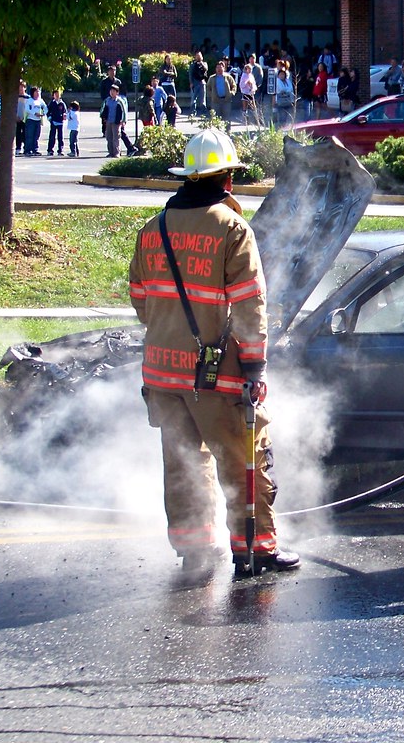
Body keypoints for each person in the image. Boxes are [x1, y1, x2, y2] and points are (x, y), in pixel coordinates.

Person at [128, 130, 301, 582]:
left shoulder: (153, 230)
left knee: (183, 460)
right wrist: (254, 366)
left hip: (162, 373)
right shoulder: (231, 229)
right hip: (215, 376)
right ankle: (256, 550)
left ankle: (195, 550)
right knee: (245, 458)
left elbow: (140, 299)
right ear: (226, 177)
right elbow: (249, 304)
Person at [206, 61, 236, 127]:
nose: (219, 69)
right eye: (217, 67)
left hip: (226, 101)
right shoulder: (212, 78)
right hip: (215, 101)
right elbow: (208, 88)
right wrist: (211, 95)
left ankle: (228, 133)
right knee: (215, 119)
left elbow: (234, 85)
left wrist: (231, 93)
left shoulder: (228, 77)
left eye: (221, 67)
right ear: (215, 69)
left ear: (224, 68)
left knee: (226, 119)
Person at [102, 84, 126, 158]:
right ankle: (110, 152)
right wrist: (103, 117)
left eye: (114, 91)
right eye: (111, 91)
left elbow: (124, 111)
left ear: (117, 92)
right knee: (109, 137)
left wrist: (123, 120)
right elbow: (103, 109)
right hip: (108, 120)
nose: (112, 92)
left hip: (117, 121)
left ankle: (117, 152)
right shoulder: (107, 100)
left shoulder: (119, 101)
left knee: (116, 137)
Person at [23, 86, 47, 156]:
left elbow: (45, 108)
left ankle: (35, 149)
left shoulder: (41, 101)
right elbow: (27, 109)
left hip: (38, 120)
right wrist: (34, 113)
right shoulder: (29, 100)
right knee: (29, 135)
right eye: (36, 92)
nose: (37, 93)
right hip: (31, 120)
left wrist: (43, 113)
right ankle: (27, 150)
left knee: (36, 136)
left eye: (38, 92)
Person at [46, 89, 67, 156]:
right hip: (53, 122)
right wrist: (49, 117)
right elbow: (48, 111)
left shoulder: (62, 103)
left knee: (60, 137)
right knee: (52, 136)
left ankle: (60, 150)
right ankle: (50, 150)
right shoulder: (52, 103)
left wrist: (64, 115)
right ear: (53, 96)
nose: (57, 96)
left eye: (58, 94)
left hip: (60, 122)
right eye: (55, 94)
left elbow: (65, 111)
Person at [189, 51, 209, 117]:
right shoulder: (192, 65)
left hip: (202, 82)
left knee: (202, 99)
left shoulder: (204, 64)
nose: (198, 57)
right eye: (197, 56)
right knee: (193, 99)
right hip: (195, 83)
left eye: (199, 56)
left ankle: (204, 112)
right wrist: (191, 82)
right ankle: (192, 112)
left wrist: (201, 64)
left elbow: (206, 69)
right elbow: (190, 74)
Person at [14, 80, 29, 155]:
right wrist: (15, 116)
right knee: (18, 133)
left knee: (26, 134)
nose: (20, 89)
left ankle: (26, 147)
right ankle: (18, 148)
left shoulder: (28, 97)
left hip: (25, 118)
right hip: (17, 118)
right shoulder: (15, 97)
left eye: (22, 87)